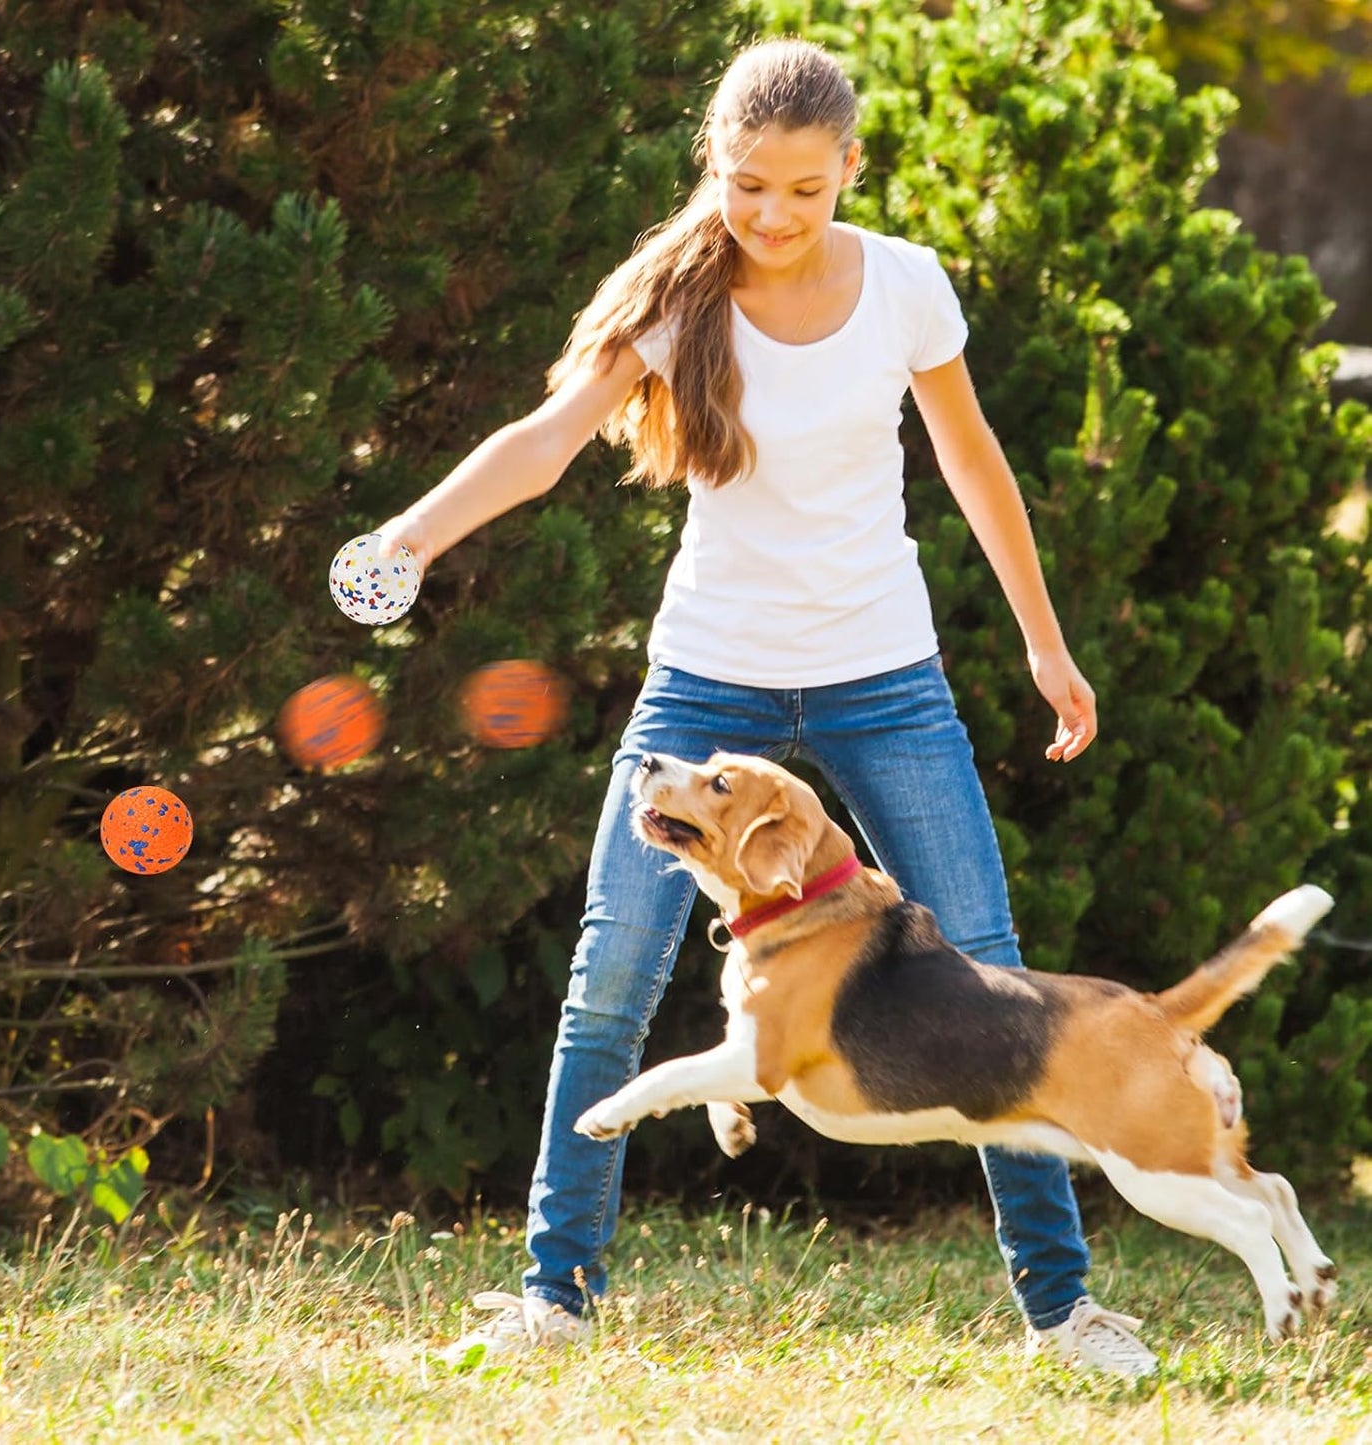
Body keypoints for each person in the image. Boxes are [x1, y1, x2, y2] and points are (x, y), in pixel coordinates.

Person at [376, 37, 1158, 1377]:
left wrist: (1043, 640)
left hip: (883, 678)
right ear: (714, 170)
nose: (774, 216)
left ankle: (1060, 1306)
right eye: (747, 187)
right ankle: (551, 1294)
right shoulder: (678, 300)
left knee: (980, 956)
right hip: (705, 680)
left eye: (804, 189)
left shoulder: (903, 285)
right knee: (613, 974)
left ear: (850, 168)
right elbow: (549, 436)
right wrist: (411, 534)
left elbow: (970, 460)